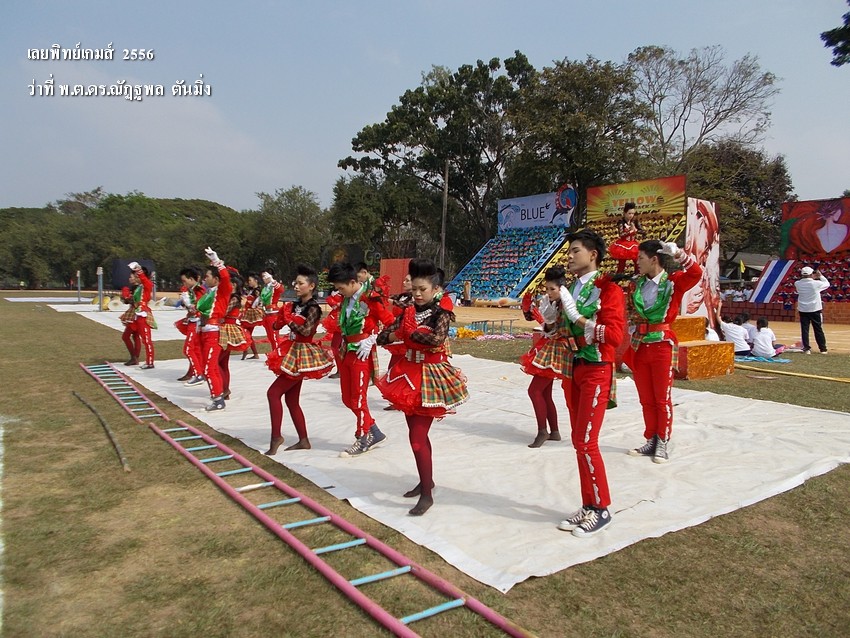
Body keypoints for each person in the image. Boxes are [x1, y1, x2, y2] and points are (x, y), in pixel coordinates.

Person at [375, 259, 469, 516]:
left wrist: (408, 333)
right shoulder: (408, 312)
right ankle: (426, 481)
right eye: (414, 288)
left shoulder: (441, 314)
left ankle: (427, 494)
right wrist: (399, 334)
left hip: (430, 377)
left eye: (422, 289)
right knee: (415, 435)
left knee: (417, 438)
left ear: (435, 289)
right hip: (408, 375)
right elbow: (382, 336)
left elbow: (437, 339)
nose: (416, 294)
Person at [555, 230, 625, 538]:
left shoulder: (608, 289)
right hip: (574, 368)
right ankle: (588, 504)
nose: (569, 256)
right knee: (577, 440)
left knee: (586, 441)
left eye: (575, 251)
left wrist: (580, 320)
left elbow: (615, 336)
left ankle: (602, 507)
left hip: (596, 367)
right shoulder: (570, 288)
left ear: (593, 255)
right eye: (569, 251)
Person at [623, 239, 702, 464]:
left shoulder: (673, 282)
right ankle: (651, 438)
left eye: (640, 258)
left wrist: (679, 255)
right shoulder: (636, 284)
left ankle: (662, 441)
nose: (637, 262)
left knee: (661, 398)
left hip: (661, 345)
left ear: (654, 259)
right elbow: (630, 311)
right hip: (640, 344)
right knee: (646, 398)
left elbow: (696, 274)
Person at [265, 265, 335, 454]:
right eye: (295, 283)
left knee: (273, 394)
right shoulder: (295, 305)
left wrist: (288, 319)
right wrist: (281, 319)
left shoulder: (313, 308)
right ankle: (303, 440)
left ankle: (276, 437)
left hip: (302, 353)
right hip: (291, 350)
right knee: (291, 400)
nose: (296, 286)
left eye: (300, 283)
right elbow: (276, 326)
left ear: (311, 286)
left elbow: (306, 331)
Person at [327, 261, 395, 457]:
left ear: (351, 282)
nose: (339, 292)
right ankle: (374, 431)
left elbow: (391, 322)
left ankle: (364, 436)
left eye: (341, 288)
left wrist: (373, 338)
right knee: (347, 398)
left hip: (362, 353)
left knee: (358, 398)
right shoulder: (346, 299)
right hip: (346, 351)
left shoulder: (371, 298)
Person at [518, 266, 569, 448]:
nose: (548, 292)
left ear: (561, 288)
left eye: (552, 289)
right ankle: (554, 431)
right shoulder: (551, 302)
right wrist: (528, 308)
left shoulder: (566, 305)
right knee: (545, 393)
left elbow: (557, 328)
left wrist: (546, 322)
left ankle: (543, 431)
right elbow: (536, 318)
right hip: (549, 347)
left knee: (534, 391)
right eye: (547, 289)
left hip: (556, 349)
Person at [195, 247, 233, 411]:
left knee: (210, 367)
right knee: (209, 366)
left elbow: (225, 277)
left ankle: (218, 399)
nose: (205, 279)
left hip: (214, 332)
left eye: (208, 276)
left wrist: (216, 261)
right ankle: (219, 395)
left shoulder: (222, 291)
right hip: (205, 331)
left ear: (216, 279)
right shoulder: (209, 293)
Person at [175, 267, 206, 384]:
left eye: (185, 281)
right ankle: (196, 373)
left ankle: (198, 374)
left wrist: (189, 304)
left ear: (192, 279)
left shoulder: (200, 290)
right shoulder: (192, 290)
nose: (184, 284)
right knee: (196, 349)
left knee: (188, 349)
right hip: (193, 321)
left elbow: (199, 308)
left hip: (197, 321)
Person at [123, 262, 156, 369]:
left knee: (146, 339)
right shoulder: (139, 287)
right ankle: (136, 358)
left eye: (137, 275)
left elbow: (146, 281)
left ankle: (150, 362)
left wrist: (139, 270)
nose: (136, 277)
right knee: (136, 337)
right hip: (137, 314)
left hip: (143, 314)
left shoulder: (147, 286)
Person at [794, 266, 830, 354]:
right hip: (815, 309)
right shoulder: (816, 284)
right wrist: (820, 276)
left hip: (803, 309)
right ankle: (823, 349)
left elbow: (804, 280)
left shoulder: (797, 283)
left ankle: (806, 348)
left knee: (805, 330)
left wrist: (813, 277)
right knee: (818, 329)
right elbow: (827, 284)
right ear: (811, 274)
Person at [608, 202, 644, 274]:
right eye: (629, 213)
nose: (631, 215)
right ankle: (619, 276)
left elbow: (643, 231)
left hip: (633, 243)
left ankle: (637, 274)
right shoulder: (621, 222)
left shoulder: (635, 221)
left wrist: (636, 230)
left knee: (636, 260)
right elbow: (621, 234)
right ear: (625, 213)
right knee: (622, 263)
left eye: (633, 213)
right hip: (623, 244)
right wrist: (630, 231)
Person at [239, 272, 264, 360]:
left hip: (251, 314)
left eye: (250, 280)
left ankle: (249, 351)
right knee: (246, 333)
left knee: (246, 333)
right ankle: (251, 352)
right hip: (248, 313)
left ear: (255, 281)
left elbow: (259, 301)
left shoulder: (257, 291)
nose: (249, 282)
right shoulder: (251, 290)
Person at [260, 269, 284, 351]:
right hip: (266, 313)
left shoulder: (274, 285)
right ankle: (274, 353)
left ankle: (277, 354)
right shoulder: (265, 287)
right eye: (262, 276)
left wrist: (272, 280)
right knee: (270, 336)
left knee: (274, 336)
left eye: (265, 276)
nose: (263, 278)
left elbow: (281, 290)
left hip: (273, 313)